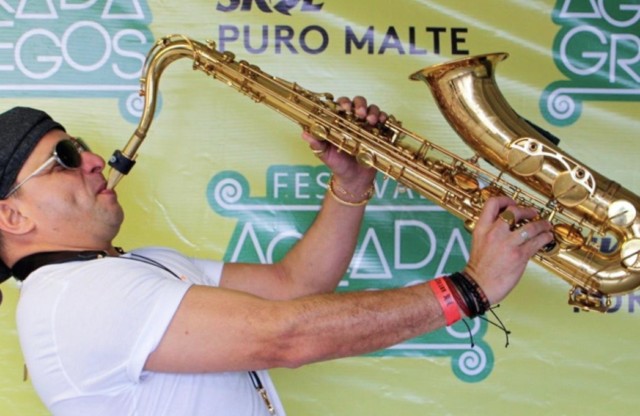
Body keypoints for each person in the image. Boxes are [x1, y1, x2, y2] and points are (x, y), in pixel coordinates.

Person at [0, 100, 553, 416]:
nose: (95, 159)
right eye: (65, 158)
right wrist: (471, 288)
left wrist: (351, 184)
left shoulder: (131, 268)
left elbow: (294, 283)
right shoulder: (78, 295)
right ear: (12, 218)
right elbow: (285, 335)